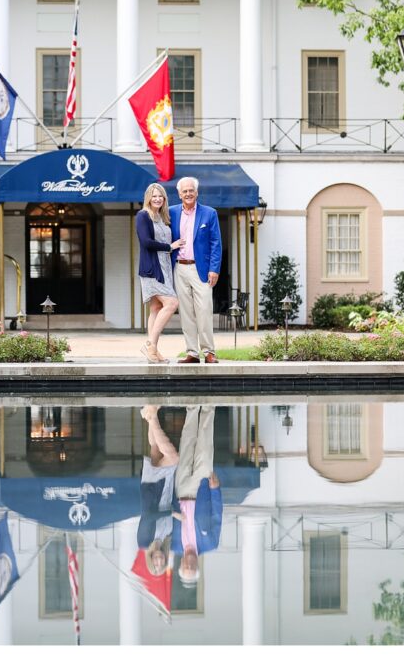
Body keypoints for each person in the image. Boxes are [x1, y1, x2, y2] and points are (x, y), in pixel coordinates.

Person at [169, 176, 222, 363]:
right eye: (184, 191)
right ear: (179, 194)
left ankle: (209, 352)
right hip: (179, 268)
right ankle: (192, 352)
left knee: (204, 310)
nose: (188, 193)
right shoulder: (172, 212)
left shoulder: (209, 213)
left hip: (202, 269)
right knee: (186, 312)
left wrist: (214, 269)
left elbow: (216, 243)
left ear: (197, 192)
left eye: (191, 190)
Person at [170, 405, 222, 587]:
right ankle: (208, 406)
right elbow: (217, 517)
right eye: (193, 567)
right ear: (198, 565)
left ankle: (192, 408)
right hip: (202, 491)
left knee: (187, 445)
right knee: (205, 449)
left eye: (186, 566)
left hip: (181, 492)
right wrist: (215, 491)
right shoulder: (211, 544)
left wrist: (172, 512)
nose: (190, 563)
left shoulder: (174, 545)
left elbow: (162, 522)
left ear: (182, 564)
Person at [136, 183, 185, 363]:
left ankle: (153, 352)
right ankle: (150, 345)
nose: (157, 199)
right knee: (172, 303)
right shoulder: (143, 216)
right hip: (151, 269)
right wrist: (169, 246)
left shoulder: (163, 217)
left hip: (165, 268)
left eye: (161, 196)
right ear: (148, 197)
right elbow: (146, 242)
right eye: (154, 196)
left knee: (156, 308)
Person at [137, 404, 180, 576]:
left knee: (173, 458)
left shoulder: (144, 542)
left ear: (150, 560)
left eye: (155, 564)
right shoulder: (167, 539)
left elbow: (148, 516)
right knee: (155, 450)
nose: (159, 561)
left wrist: (172, 514)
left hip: (152, 489)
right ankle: (148, 414)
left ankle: (152, 415)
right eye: (162, 564)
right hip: (165, 488)